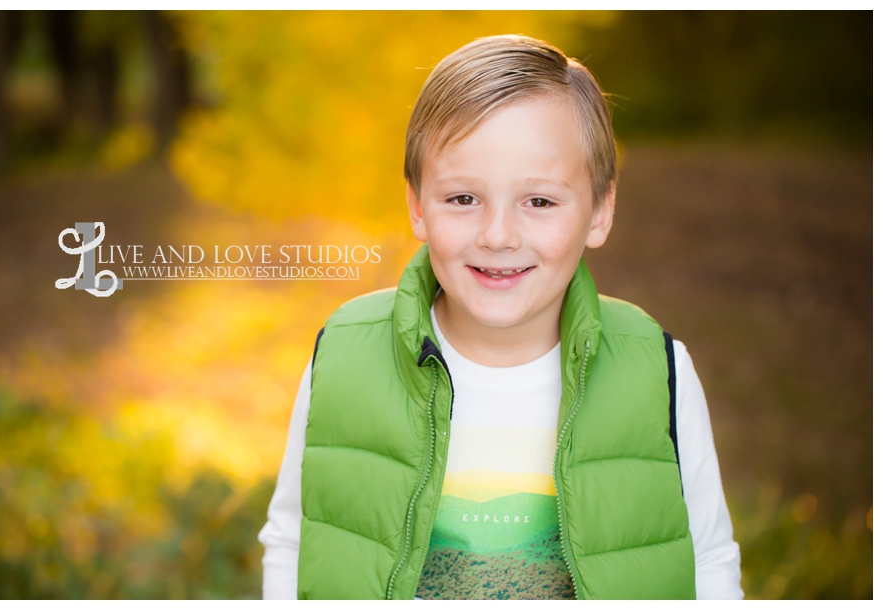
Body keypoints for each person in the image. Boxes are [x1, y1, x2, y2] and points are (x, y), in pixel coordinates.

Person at [258, 35, 743, 600]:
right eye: (463, 199)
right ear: (417, 205)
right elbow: (292, 540)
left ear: (600, 211)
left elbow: (707, 557)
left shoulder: (657, 368)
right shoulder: (343, 355)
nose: (497, 236)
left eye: (539, 201)